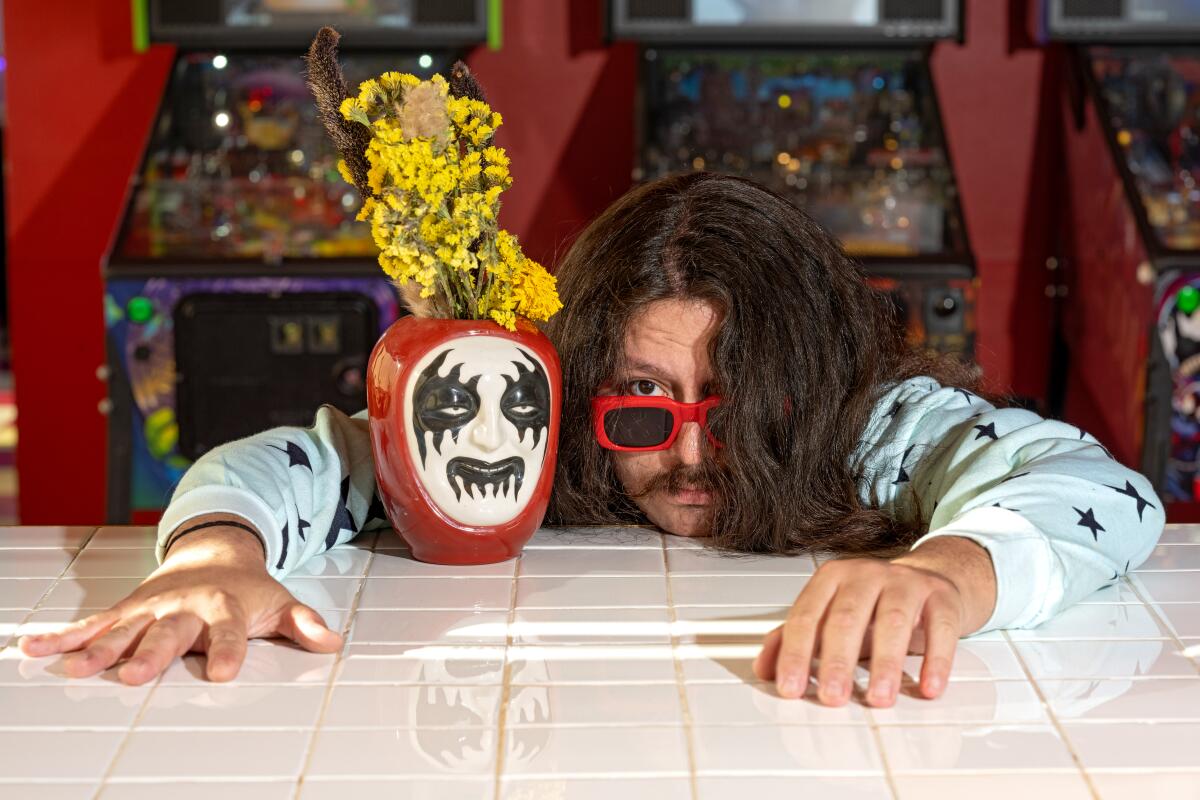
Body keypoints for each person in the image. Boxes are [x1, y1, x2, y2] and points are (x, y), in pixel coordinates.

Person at [19, 173, 1165, 709]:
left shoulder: (870, 429)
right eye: (641, 406)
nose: (693, 455)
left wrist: (948, 570)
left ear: (807, 387)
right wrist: (217, 552)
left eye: (737, 402)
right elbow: (297, 459)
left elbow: (1097, 485)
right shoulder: (525, 435)